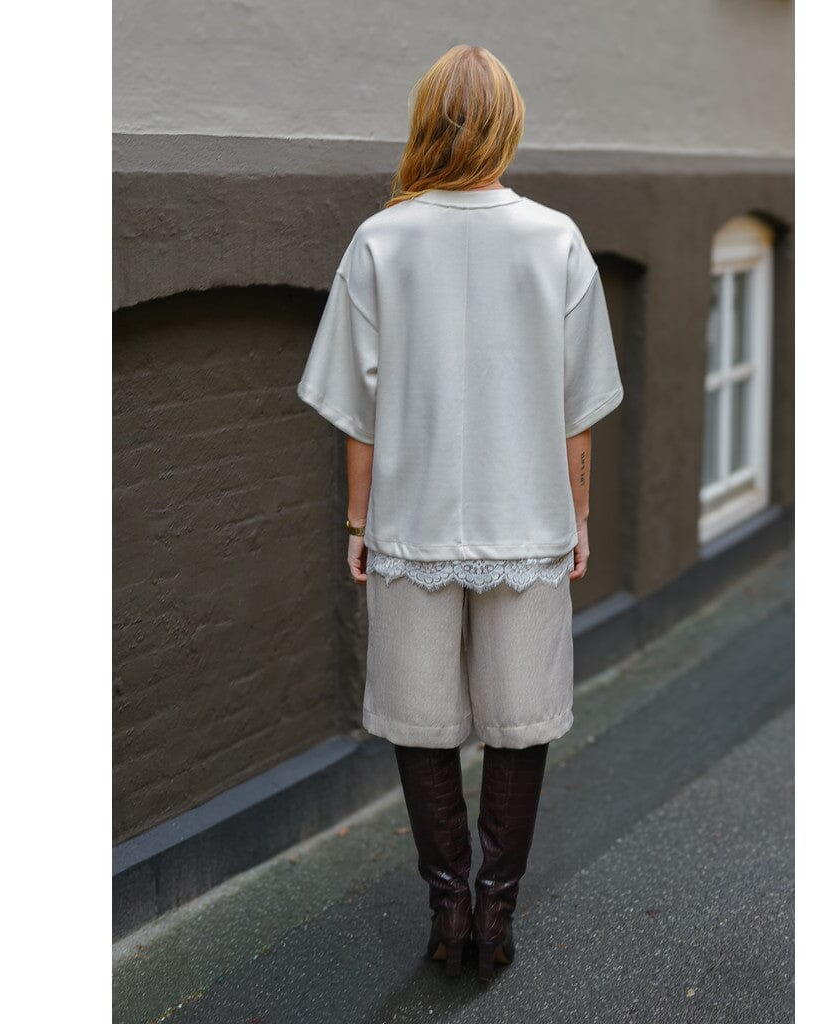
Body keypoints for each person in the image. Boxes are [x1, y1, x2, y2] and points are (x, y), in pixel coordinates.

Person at [297, 44, 623, 981]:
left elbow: (359, 414)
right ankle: (495, 913)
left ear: (427, 124)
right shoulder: (556, 239)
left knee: (420, 717)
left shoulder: (380, 240)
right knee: (523, 719)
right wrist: (580, 515)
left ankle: (448, 914)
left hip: (411, 523)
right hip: (530, 520)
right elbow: (577, 411)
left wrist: (357, 523)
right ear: (508, 124)